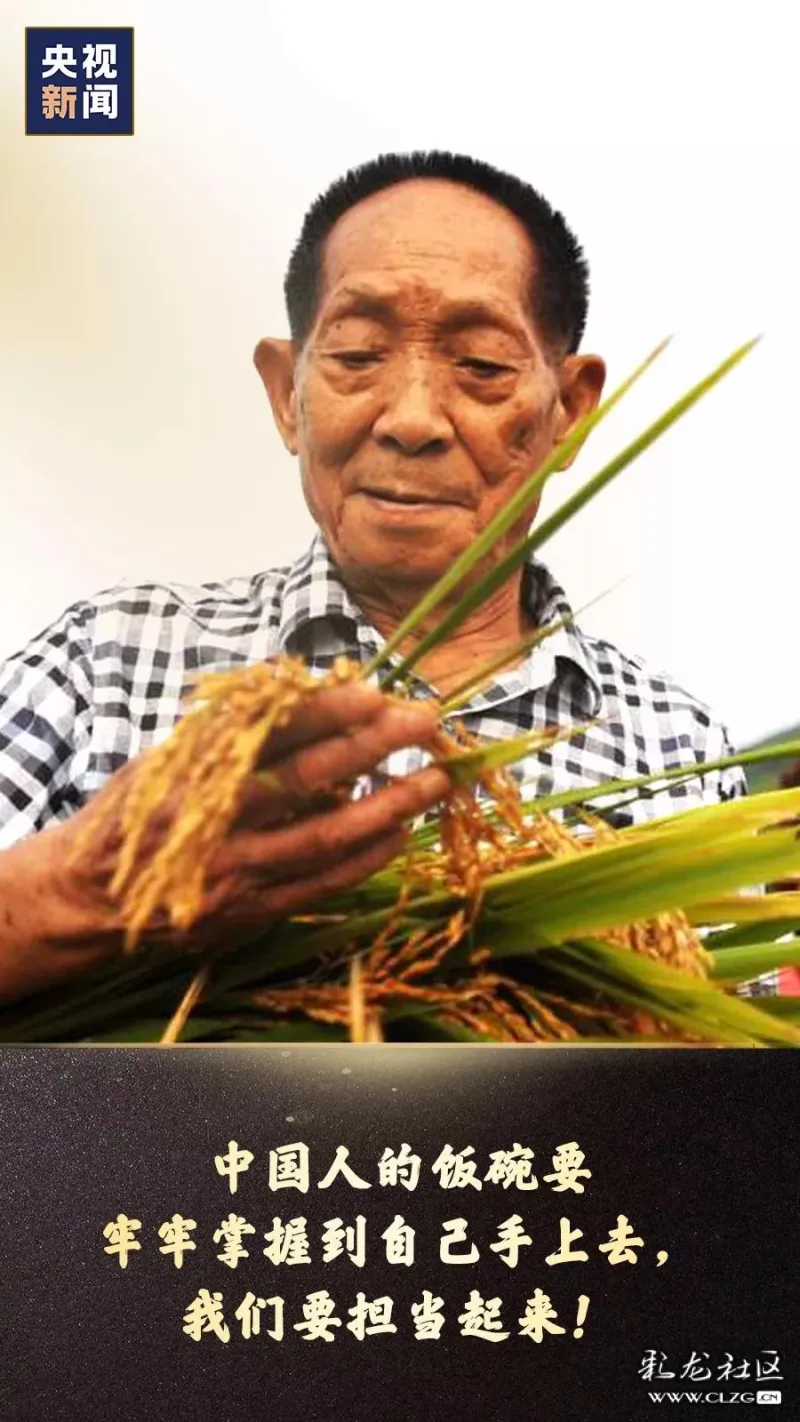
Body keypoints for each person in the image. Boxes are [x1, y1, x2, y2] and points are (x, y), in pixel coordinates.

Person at [0, 150, 746, 1007]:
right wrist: (85, 894)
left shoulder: (679, 750)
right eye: (357, 354)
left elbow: (732, 1104)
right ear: (287, 394)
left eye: (482, 365)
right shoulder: (104, 668)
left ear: (569, 413)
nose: (414, 419)